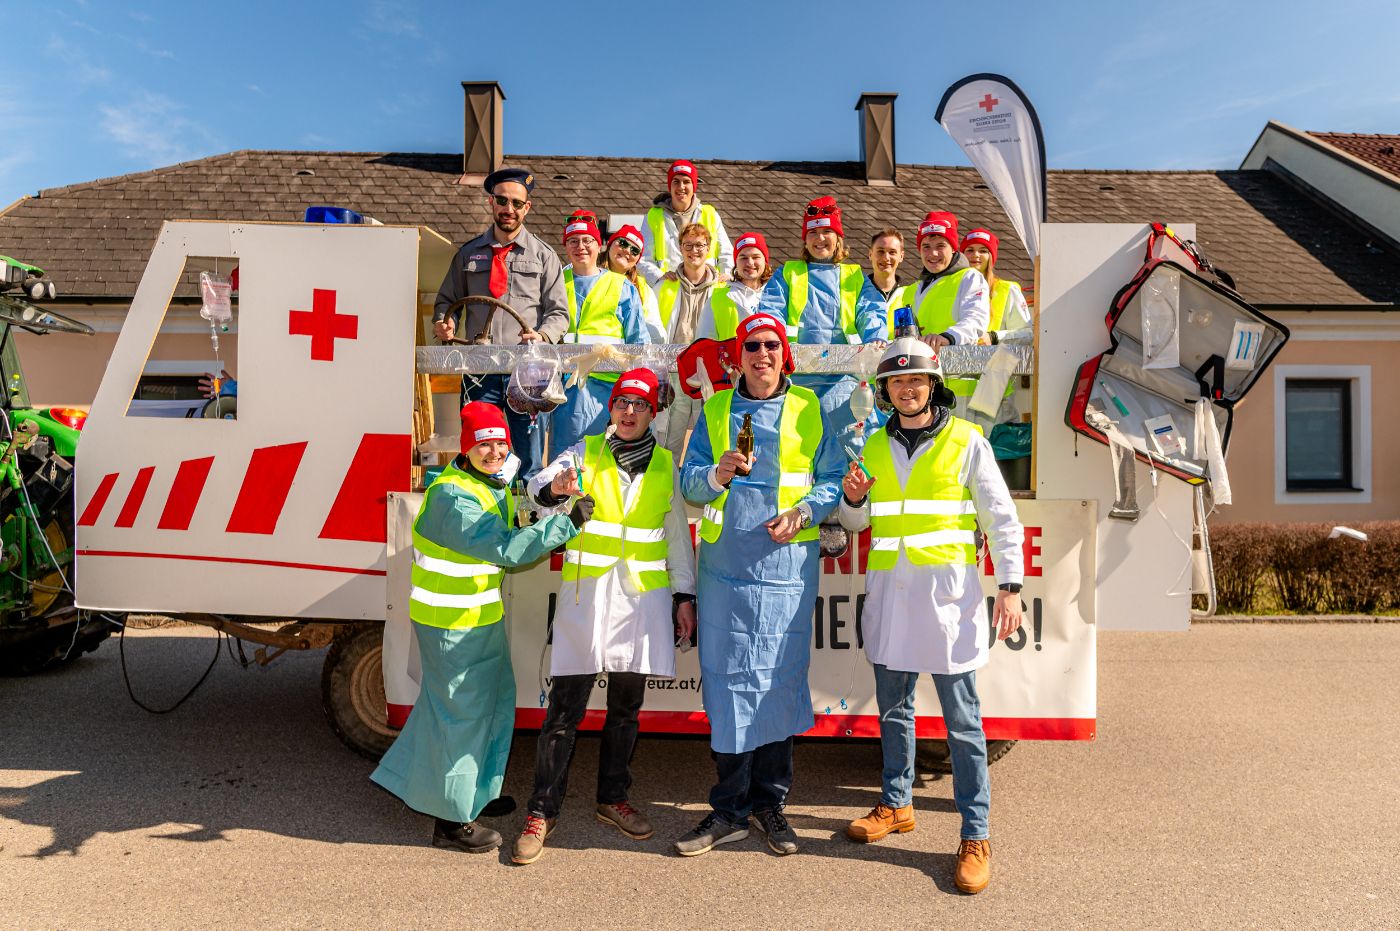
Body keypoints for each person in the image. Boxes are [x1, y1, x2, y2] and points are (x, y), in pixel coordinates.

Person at [837, 338, 1024, 895]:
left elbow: (1001, 518)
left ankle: (975, 834)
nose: (907, 388)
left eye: (916, 379)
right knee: (894, 712)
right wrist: (852, 499)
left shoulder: (967, 440)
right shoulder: (872, 445)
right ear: (885, 390)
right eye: (897, 381)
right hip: (892, 600)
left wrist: (1010, 588)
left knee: (963, 724)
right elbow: (855, 523)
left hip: (948, 603)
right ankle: (897, 804)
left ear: (933, 385)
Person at [371, 402, 592, 855]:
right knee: (461, 719)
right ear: (466, 447)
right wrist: (566, 524)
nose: (494, 452)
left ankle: (474, 793)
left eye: (500, 443)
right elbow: (505, 547)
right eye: (483, 444)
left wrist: (552, 495)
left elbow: (518, 511)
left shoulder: (485, 482)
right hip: (451, 626)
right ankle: (451, 820)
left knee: (490, 707)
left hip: (479, 620)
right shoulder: (453, 497)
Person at [675, 312, 845, 858]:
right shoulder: (716, 409)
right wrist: (717, 474)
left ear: (784, 354)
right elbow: (689, 483)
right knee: (727, 685)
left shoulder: (810, 408)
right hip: (726, 570)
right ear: (739, 355)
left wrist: (803, 512)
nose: (763, 354)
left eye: (772, 345)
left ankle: (770, 805)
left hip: (786, 571)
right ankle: (728, 810)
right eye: (752, 346)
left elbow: (832, 479)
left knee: (777, 683)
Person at [512, 368, 698, 865]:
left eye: (640, 405)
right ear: (611, 408)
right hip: (588, 599)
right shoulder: (584, 451)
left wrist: (684, 596)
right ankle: (541, 810)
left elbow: (676, 537)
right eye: (622, 403)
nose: (629, 412)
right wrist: (555, 490)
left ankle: (612, 798)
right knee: (564, 712)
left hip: (641, 603)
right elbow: (537, 486)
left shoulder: (666, 466)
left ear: (653, 413)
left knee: (625, 710)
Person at [433, 167, 569, 476]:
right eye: (502, 201)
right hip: (480, 371)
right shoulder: (468, 254)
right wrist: (445, 322)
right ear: (491, 202)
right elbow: (446, 301)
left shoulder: (545, 256)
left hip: (528, 373)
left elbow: (559, 314)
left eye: (517, 203)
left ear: (527, 207)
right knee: (480, 453)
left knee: (529, 459)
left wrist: (543, 336)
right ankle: (480, 504)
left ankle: (528, 505)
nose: (509, 209)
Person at [757, 196, 889, 437]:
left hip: (845, 381)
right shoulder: (787, 273)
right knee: (798, 443)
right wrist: (771, 340)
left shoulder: (854, 276)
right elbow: (770, 312)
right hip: (795, 378)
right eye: (813, 233)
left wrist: (876, 339)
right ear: (805, 239)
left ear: (838, 238)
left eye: (827, 231)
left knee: (848, 444)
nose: (820, 239)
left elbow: (871, 310)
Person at [551, 213, 651, 454]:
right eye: (573, 241)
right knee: (565, 461)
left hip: (609, 391)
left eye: (587, 240)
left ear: (599, 245)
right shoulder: (554, 282)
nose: (580, 247)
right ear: (565, 246)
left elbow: (639, 344)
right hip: (564, 390)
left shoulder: (622, 286)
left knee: (606, 461)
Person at [653, 222, 720, 459]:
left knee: (709, 437)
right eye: (688, 245)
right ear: (680, 248)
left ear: (709, 248)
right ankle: (667, 481)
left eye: (700, 245)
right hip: (675, 370)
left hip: (710, 371)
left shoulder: (722, 288)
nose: (694, 251)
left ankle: (703, 479)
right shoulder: (665, 285)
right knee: (669, 439)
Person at [888, 211, 990, 350]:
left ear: (953, 248)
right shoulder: (912, 290)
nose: (933, 253)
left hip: (957, 362)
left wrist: (948, 337)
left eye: (940, 246)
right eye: (926, 247)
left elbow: (975, 320)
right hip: (920, 362)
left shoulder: (970, 278)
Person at [638, 160, 733, 286]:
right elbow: (643, 259)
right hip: (669, 290)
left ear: (694, 186)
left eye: (686, 182)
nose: (681, 187)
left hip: (708, 289)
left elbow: (726, 253)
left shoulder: (710, 214)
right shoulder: (653, 216)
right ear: (670, 186)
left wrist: (726, 275)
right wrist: (659, 278)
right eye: (676, 181)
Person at [960, 229, 1032, 344]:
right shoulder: (953, 288)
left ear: (991, 257)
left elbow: (1027, 334)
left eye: (983, 251)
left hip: (996, 355)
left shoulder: (1007, 290)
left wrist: (994, 337)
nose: (975, 255)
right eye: (970, 250)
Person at [702, 231, 773, 341]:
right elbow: (703, 344)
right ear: (736, 263)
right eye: (743, 258)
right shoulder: (716, 300)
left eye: (755, 257)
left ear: (765, 261)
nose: (750, 263)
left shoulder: (778, 296)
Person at [602, 224, 666, 343]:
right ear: (610, 244)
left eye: (635, 251)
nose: (627, 251)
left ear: (637, 260)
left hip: (625, 353)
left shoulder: (643, 289)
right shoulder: (588, 275)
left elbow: (659, 334)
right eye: (623, 243)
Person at [866, 228, 908, 304]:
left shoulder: (910, 293)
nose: (886, 258)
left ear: (901, 256)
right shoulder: (858, 292)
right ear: (870, 254)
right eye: (880, 251)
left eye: (892, 252)